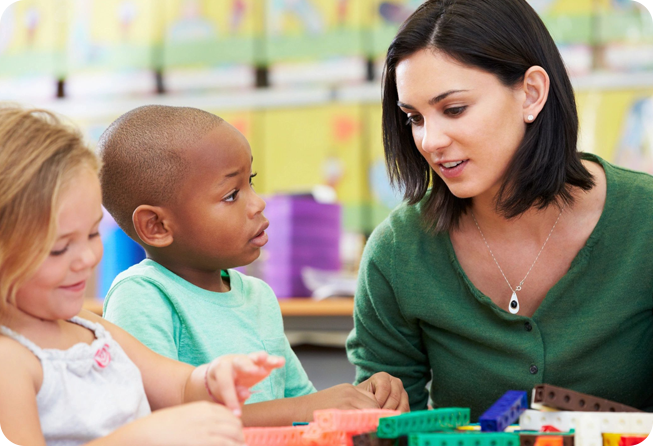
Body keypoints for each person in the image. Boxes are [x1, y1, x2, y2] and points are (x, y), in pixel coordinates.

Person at [346, 0, 653, 421]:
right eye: (414, 118)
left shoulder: (645, 218)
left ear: (531, 93)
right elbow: (388, 426)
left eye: (454, 109)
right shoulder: (398, 251)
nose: (430, 140)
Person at [97, 105, 409, 426]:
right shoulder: (141, 295)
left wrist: (363, 399)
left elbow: (301, 408)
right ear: (157, 226)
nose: (258, 202)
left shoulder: (258, 295)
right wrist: (309, 409)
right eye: (232, 194)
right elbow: (163, 422)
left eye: (252, 181)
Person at [0, 104, 286, 446]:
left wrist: (213, 377)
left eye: (92, 234)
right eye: (60, 248)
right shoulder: (10, 361)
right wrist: (138, 437)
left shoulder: (88, 327)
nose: (87, 259)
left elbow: (179, 387)